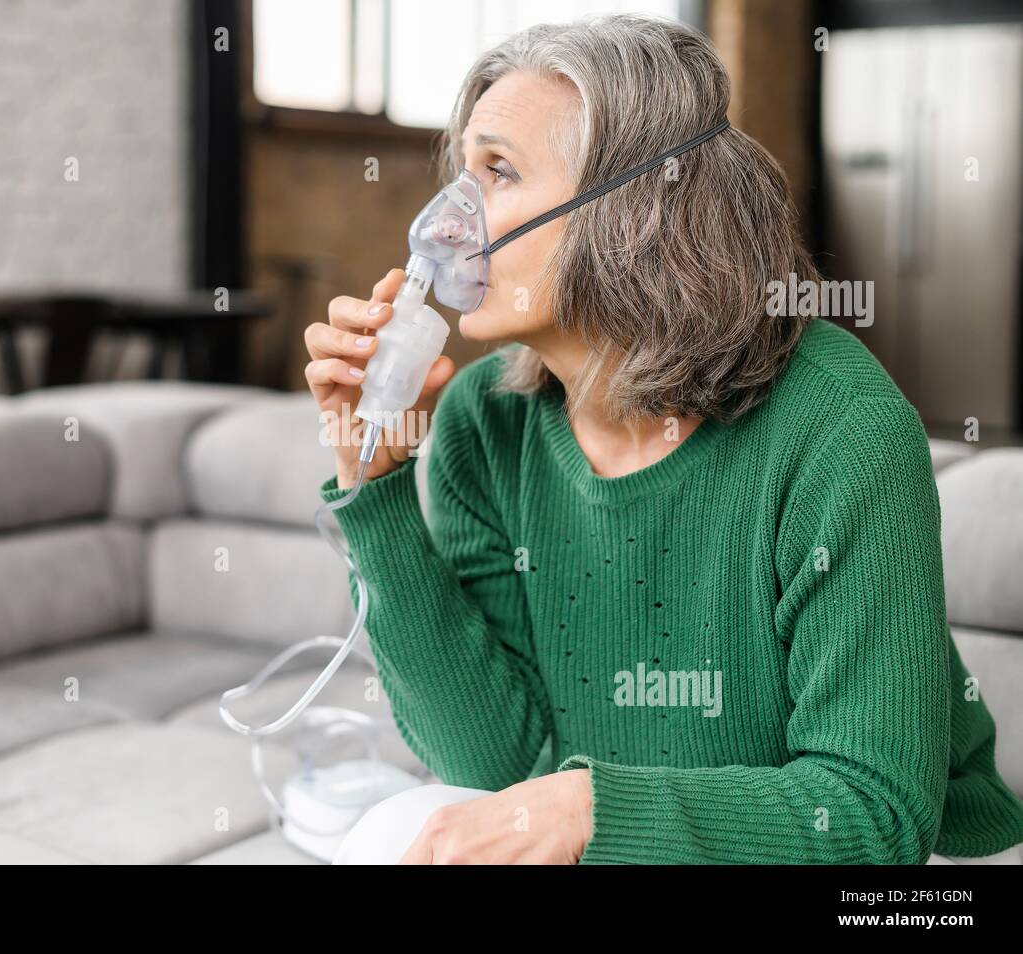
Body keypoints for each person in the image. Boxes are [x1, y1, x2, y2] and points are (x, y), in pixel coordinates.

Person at [303, 15, 1023, 864]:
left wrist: (590, 810)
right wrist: (373, 485)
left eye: (497, 172)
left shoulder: (842, 431)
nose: (446, 222)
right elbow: (495, 772)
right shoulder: (480, 425)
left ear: (634, 207)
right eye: (462, 174)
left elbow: (871, 815)